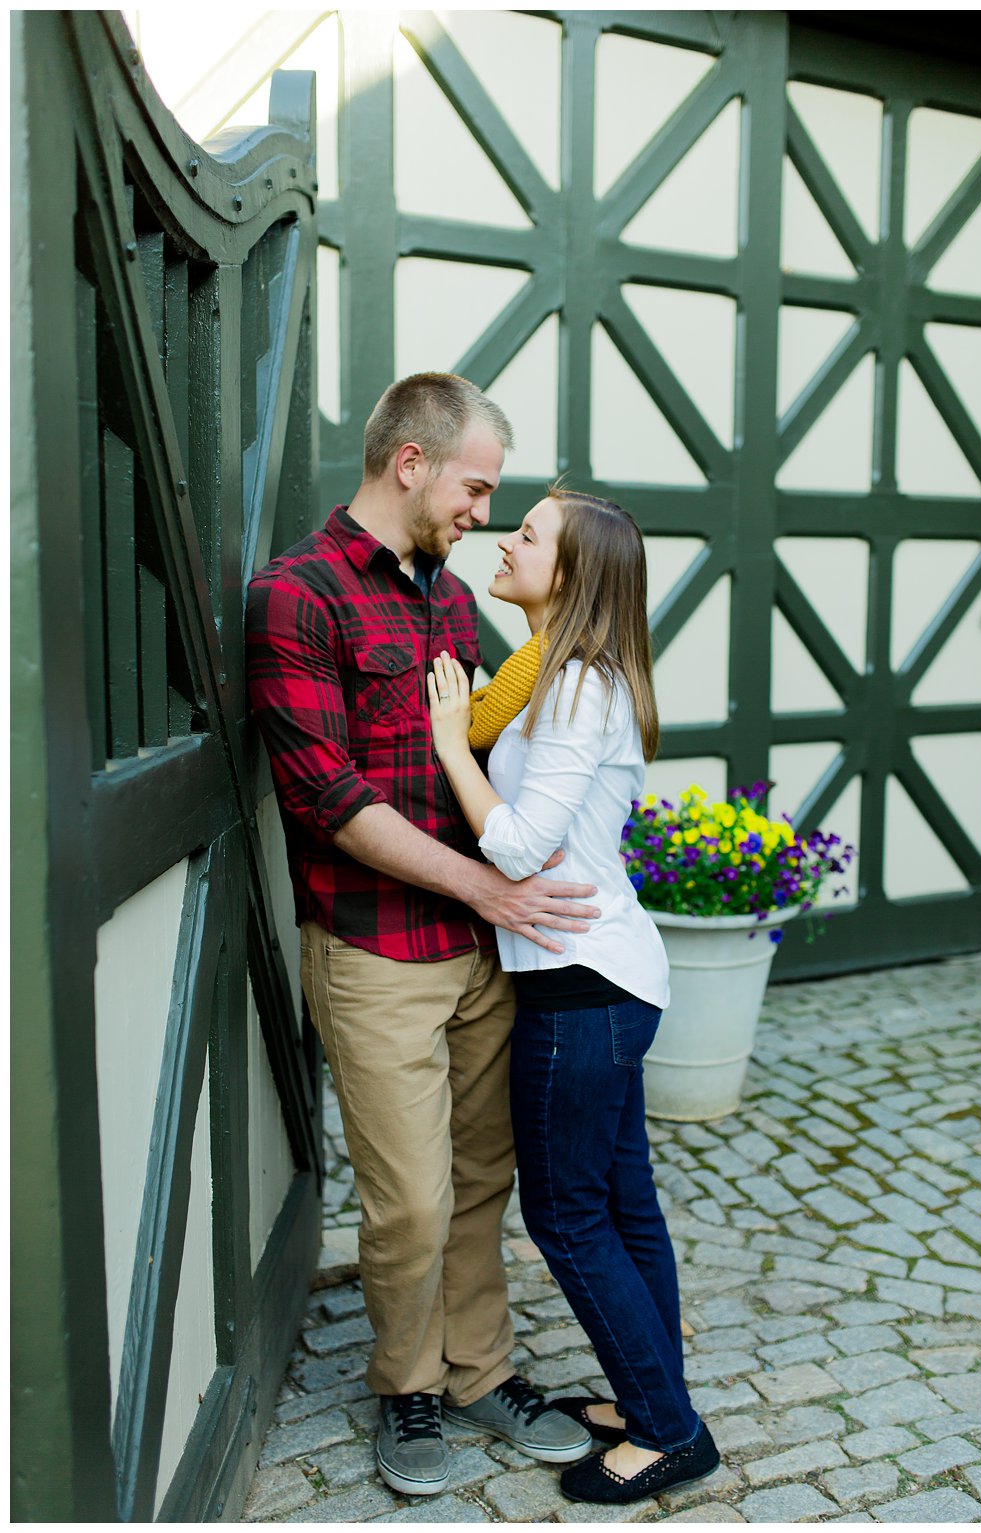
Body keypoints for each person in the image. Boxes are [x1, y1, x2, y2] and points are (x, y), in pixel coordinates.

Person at [247, 373, 600, 1496]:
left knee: (483, 1177)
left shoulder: (447, 595)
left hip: (479, 956)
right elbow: (328, 799)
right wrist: (488, 891)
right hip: (373, 955)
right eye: (476, 486)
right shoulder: (293, 597)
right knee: (407, 1197)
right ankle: (404, 1387)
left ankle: (478, 1371)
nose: (481, 513)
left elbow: (495, 731)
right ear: (411, 461)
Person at [425, 484, 720, 1505]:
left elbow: (512, 843)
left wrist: (444, 748)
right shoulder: (552, 676)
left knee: (565, 1213)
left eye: (531, 534)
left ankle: (669, 1433)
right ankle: (655, 1396)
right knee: (623, 1200)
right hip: (601, 977)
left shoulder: (576, 687)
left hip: (582, 986)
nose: (508, 538)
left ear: (575, 572)